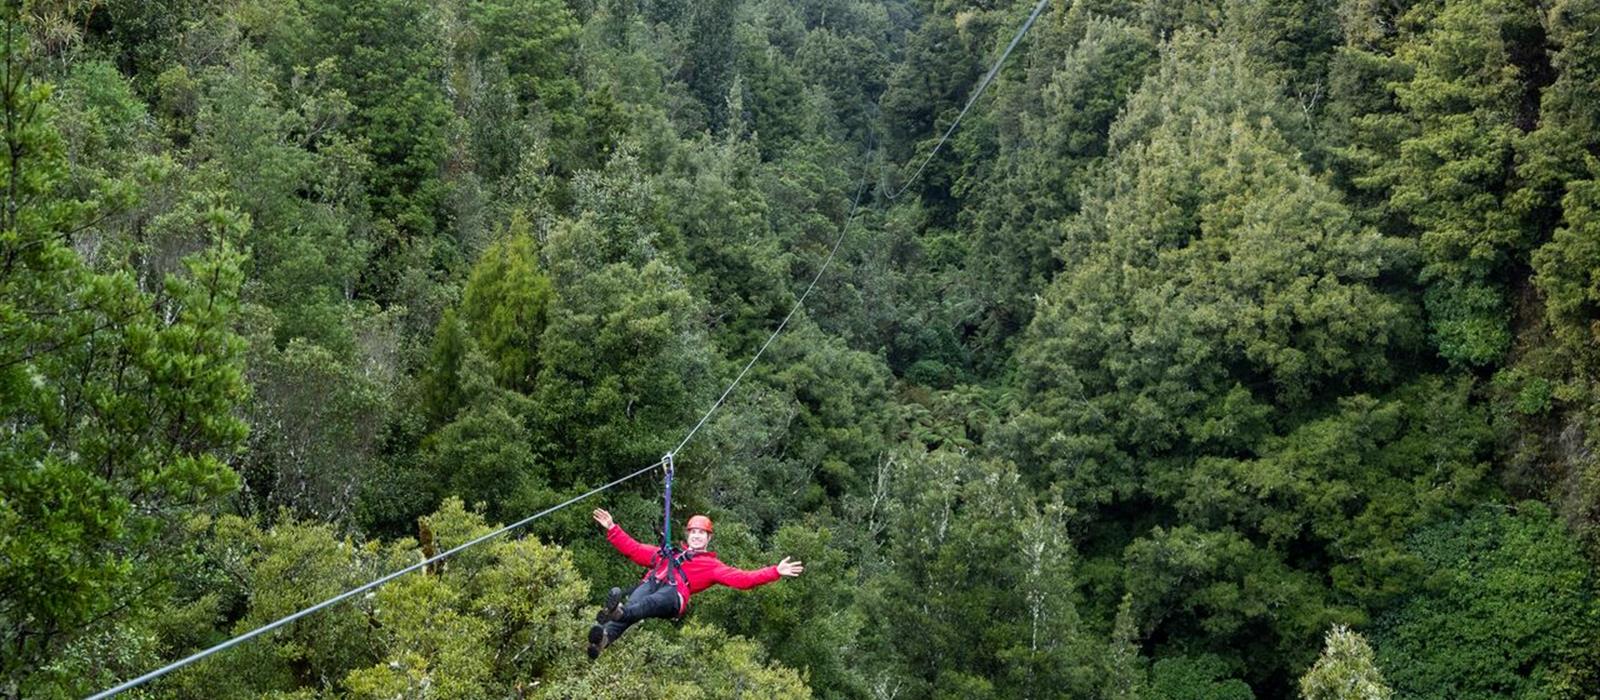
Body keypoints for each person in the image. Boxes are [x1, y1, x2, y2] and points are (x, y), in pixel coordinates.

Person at [587, 507, 804, 658]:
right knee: (637, 600)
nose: (697, 536)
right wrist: (612, 528)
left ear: (708, 539)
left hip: (673, 597)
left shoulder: (712, 566)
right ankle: (603, 639)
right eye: (694, 532)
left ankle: (617, 613)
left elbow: (743, 579)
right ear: (688, 535)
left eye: (702, 533)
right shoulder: (667, 554)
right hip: (653, 582)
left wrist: (775, 571)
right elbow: (634, 549)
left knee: (646, 604)